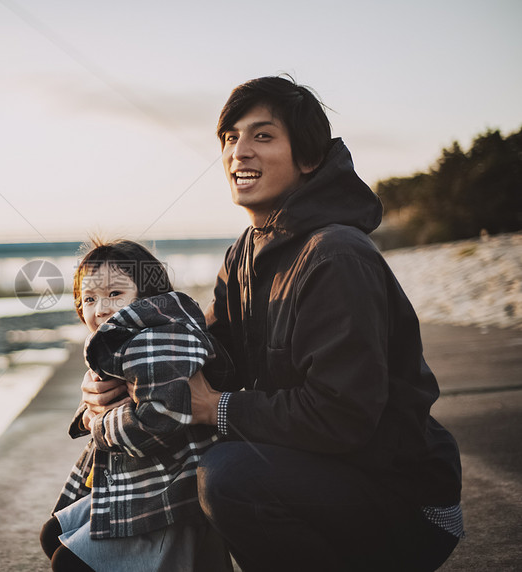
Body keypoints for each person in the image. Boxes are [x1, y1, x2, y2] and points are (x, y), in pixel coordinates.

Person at [80, 76, 464, 571]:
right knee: (165, 480)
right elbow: (203, 358)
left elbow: (341, 417)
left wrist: (215, 408)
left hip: (404, 500)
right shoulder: (243, 252)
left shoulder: (336, 257)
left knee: (230, 477)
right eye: (230, 138)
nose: (240, 152)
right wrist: (117, 384)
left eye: (262, 136)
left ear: (308, 158)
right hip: (324, 472)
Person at [40, 238, 234, 572]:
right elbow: (110, 399)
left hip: (166, 488)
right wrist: (91, 410)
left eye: (115, 294)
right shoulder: (123, 339)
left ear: (147, 298)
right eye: (89, 298)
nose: (100, 308)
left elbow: (159, 418)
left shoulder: (156, 340)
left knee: (69, 561)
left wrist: (97, 424)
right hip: (139, 477)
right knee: (54, 535)